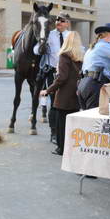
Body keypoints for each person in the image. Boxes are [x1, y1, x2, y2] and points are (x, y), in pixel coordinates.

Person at [40, 31, 84, 156]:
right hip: (74, 94)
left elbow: (62, 78)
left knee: (61, 124)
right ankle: (70, 147)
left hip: (64, 95)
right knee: (71, 125)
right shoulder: (79, 57)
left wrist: (48, 90)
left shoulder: (64, 55)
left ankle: (61, 148)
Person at [34, 12, 70, 143]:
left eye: (62, 21)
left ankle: (64, 131)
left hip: (67, 73)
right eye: (57, 20)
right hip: (52, 72)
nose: (58, 22)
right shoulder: (49, 35)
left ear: (67, 23)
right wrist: (41, 49)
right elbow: (36, 49)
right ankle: (54, 133)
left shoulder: (70, 36)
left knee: (66, 103)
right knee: (55, 102)